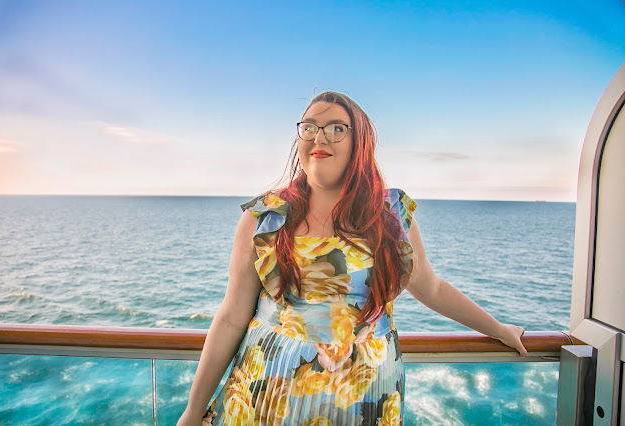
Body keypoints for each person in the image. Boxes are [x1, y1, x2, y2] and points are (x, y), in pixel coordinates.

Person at [177, 91, 527, 425]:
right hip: (267, 396)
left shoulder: (389, 216)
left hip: (366, 398)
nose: (320, 137)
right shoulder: (266, 217)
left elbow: (431, 288)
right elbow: (231, 316)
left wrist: (497, 329)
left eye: (336, 128)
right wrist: (193, 412)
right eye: (309, 126)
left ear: (360, 142)